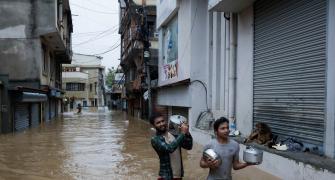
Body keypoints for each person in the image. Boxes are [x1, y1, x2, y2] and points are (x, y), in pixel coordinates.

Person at [150, 112, 193, 180]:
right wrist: (182, 133)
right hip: (166, 176)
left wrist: (187, 133)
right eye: (158, 123)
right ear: (153, 125)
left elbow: (189, 146)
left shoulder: (175, 135)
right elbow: (169, 148)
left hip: (178, 175)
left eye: (163, 121)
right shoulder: (155, 140)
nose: (162, 124)